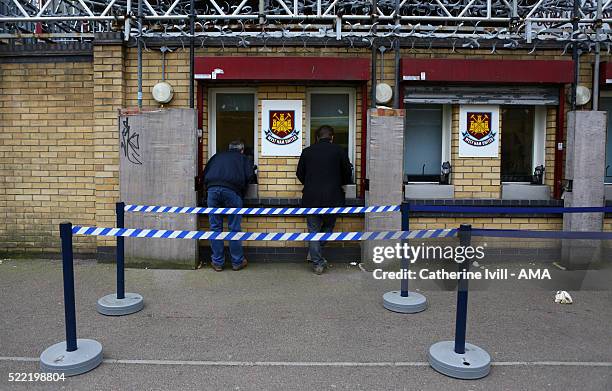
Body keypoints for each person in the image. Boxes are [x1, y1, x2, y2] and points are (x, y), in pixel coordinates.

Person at [296, 125, 352, 275]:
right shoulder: (339, 151)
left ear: (317, 137)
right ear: (332, 137)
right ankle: (316, 256)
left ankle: (316, 260)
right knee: (328, 228)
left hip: (311, 197)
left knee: (313, 231)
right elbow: (347, 174)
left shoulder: (307, 152)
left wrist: (310, 184)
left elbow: (299, 173)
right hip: (332, 198)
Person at [203, 140, 255, 271]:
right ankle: (237, 262)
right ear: (241, 150)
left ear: (229, 148)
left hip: (212, 190)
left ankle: (217, 262)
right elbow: (250, 177)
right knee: (234, 228)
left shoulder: (216, 156)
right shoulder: (243, 158)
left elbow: (205, 174)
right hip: (232, 191)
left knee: (215, 228)